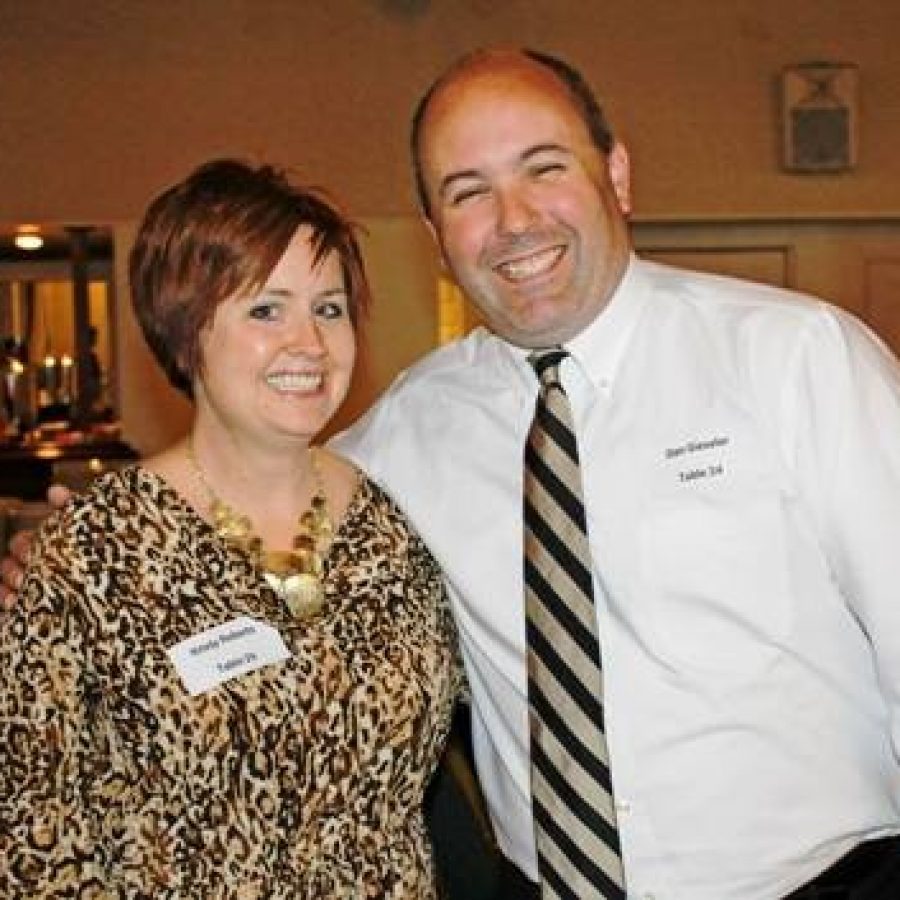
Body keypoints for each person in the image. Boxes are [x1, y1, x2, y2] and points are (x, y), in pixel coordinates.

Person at [5, 47, 900, 899]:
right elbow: (249, 495)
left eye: (544, 167)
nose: (513, 221)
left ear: (617, 177)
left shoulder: (797, 359)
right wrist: (76, 554)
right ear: (437, 236)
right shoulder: (410, 429)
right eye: (468, 192)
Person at [0, 159, 462, 898]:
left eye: (331, 308)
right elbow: (31, 837)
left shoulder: (398, 528)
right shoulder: (92, 553)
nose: (309, 342)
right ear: (185, 332)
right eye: (266, 309)